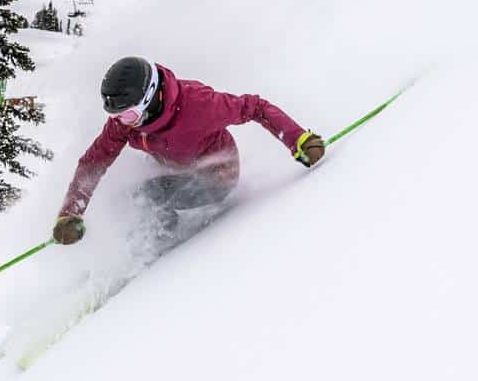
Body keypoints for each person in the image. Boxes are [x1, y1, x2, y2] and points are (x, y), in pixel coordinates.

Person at [54, 57, 325, 245]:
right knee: (124, 200)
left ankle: (154, 250)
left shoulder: (199, 105)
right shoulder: (127, 122)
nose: (122, 122)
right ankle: (139, 240)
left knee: (148, 198)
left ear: (150, 98)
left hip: (216, 176)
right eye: (117, 115)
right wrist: (71, 212)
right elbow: (95, 160)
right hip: (175, 166)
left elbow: (255, 107)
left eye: (128, 114)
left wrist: (298, 140)